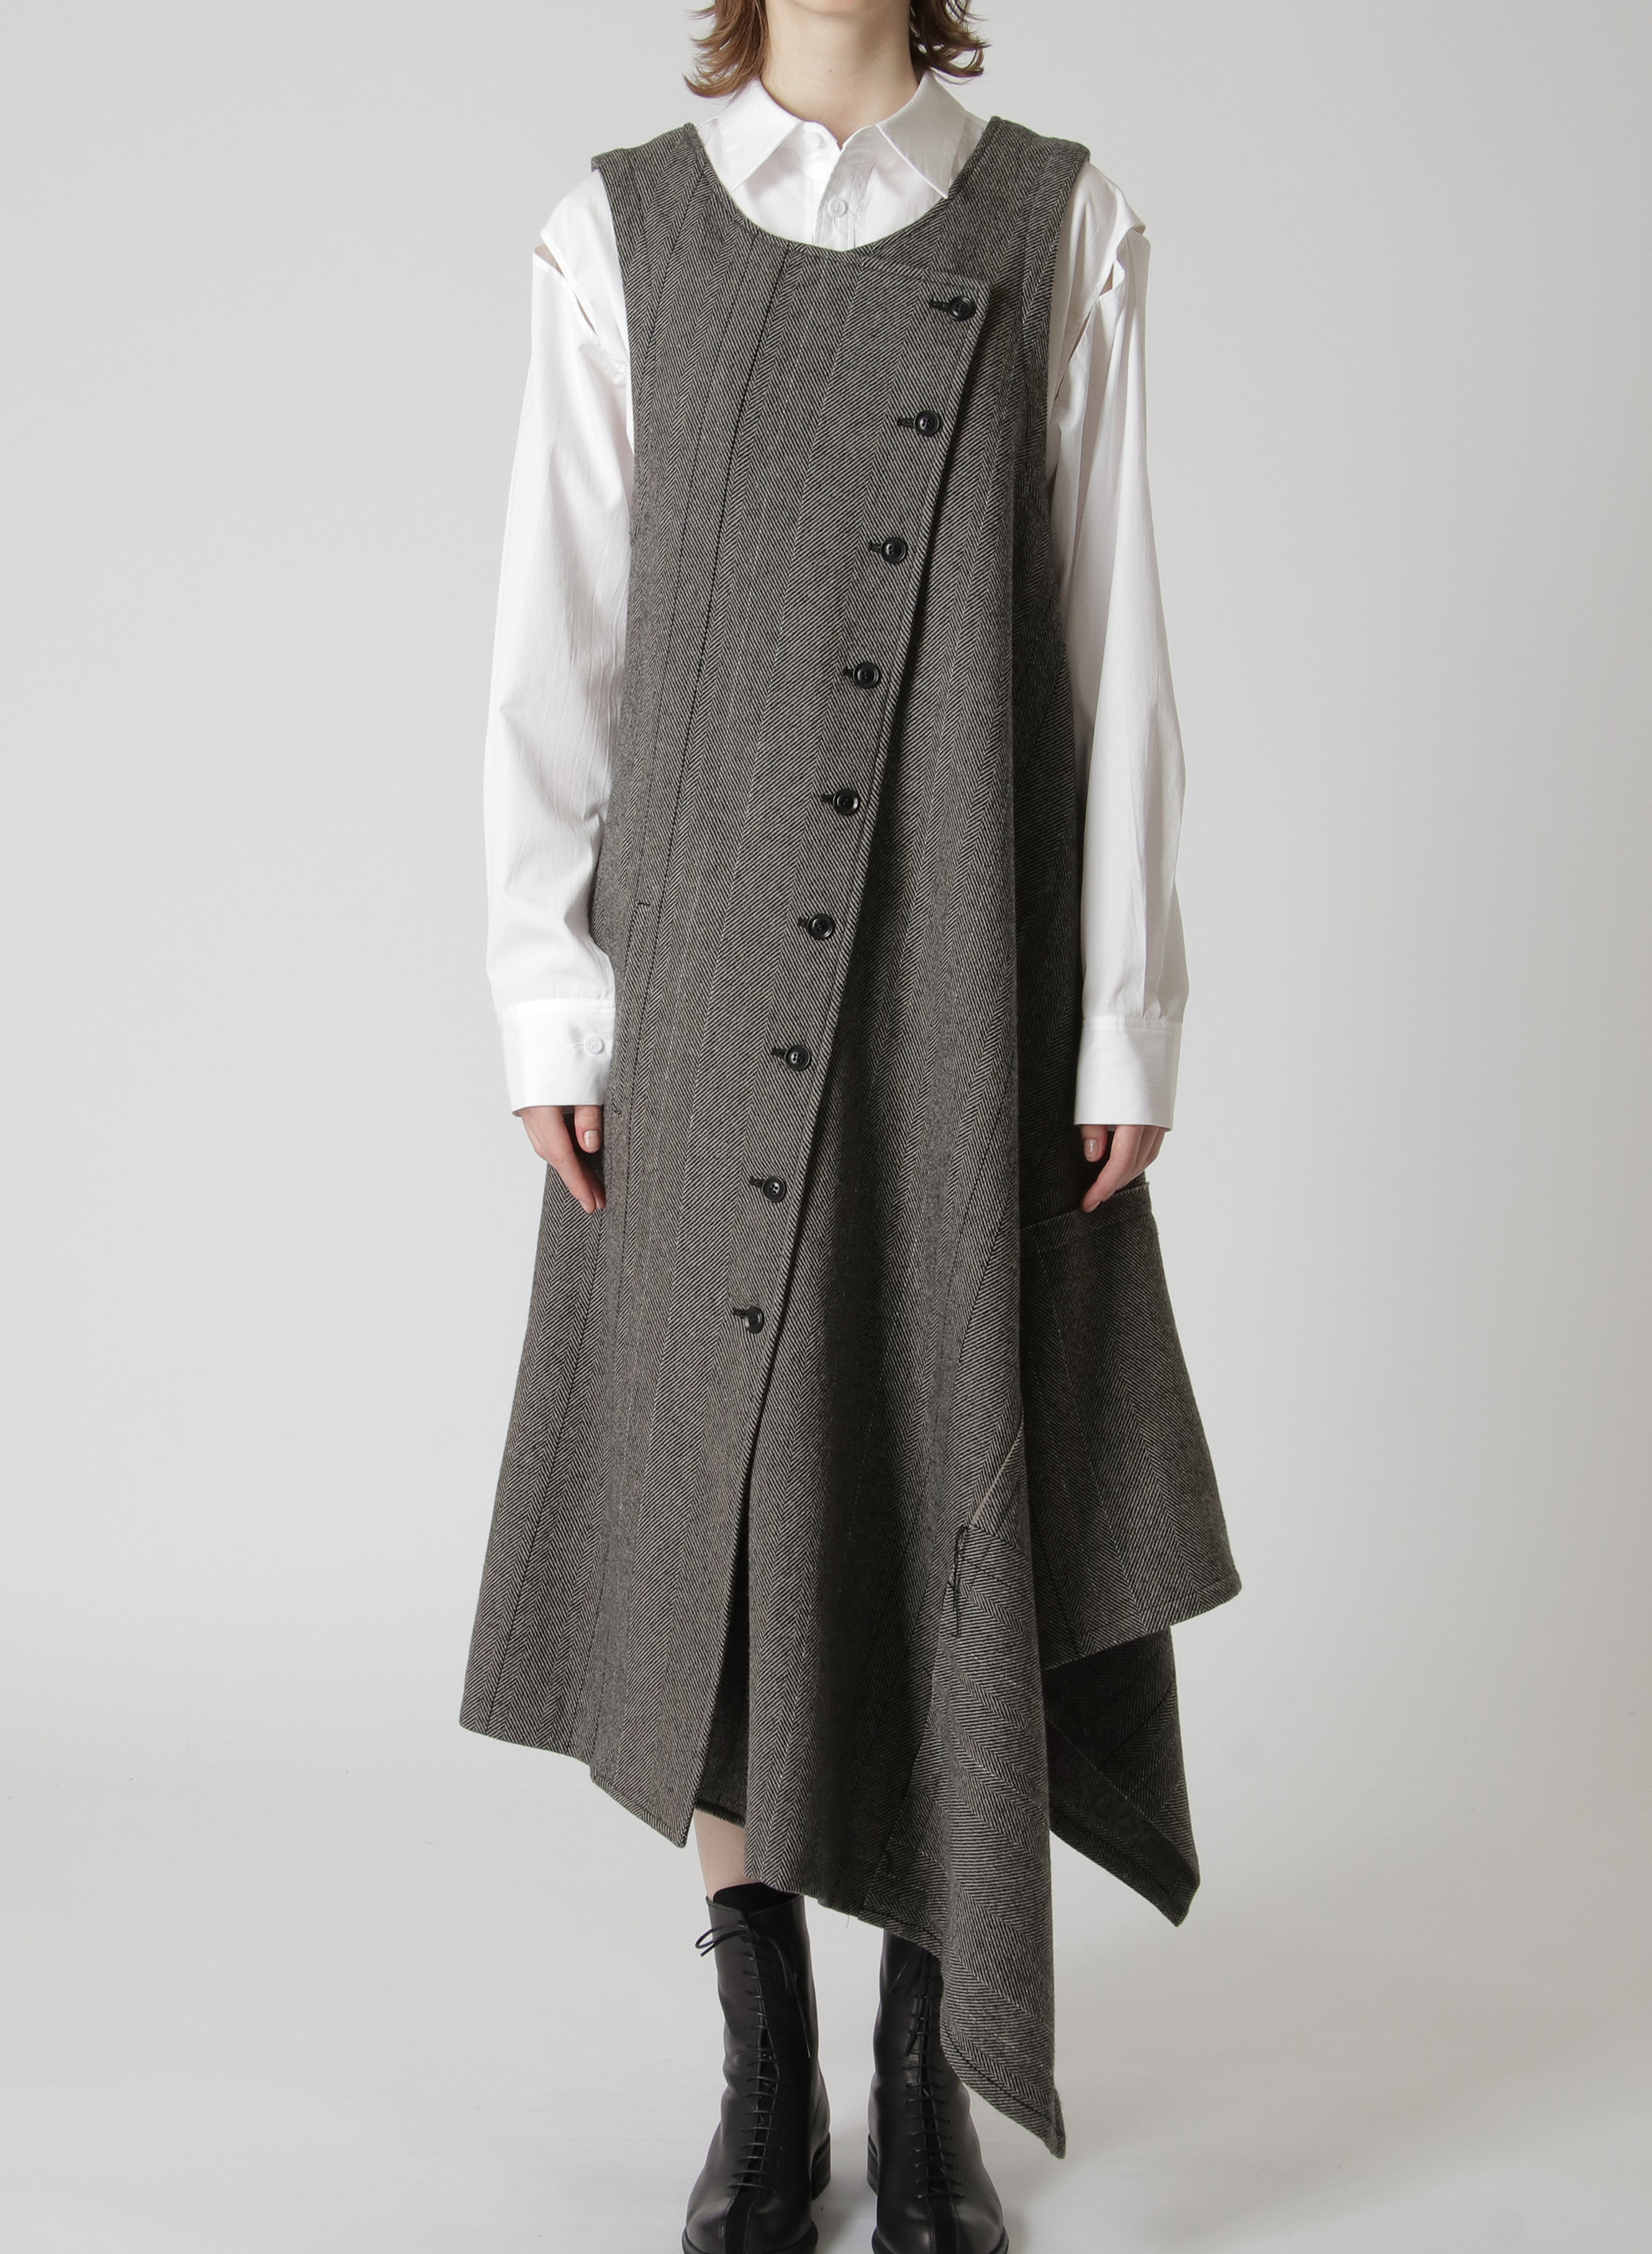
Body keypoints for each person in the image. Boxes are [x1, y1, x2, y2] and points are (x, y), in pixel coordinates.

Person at [462, 3, 1239, 2247]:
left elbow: (1113, 644)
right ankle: (764, 2068)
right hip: (701, 984)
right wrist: (549, 989)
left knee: (929, 1475)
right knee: (725, 1525)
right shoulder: (612, 234)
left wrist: (1120, 1015)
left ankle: (923, 2076)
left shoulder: (1059, 223)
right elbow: (555, 642)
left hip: (965, 977)